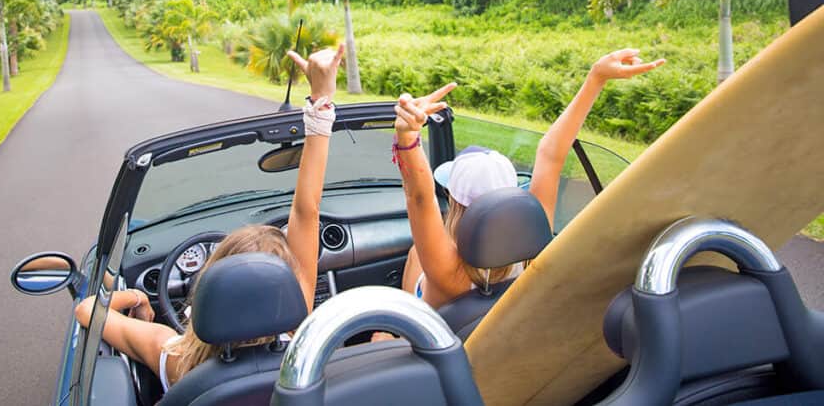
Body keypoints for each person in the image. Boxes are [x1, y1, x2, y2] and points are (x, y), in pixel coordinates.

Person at [73, 46, 344, 390]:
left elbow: (87, 312)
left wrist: (139, 299)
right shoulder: (301, 348)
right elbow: (307, 211)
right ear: (286, 292)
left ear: (207, 285)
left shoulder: (175, 358)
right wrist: (321, 99)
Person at [394, 49, 665, 309]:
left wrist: (407, 134)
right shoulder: (534, 252)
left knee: (417, 252)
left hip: (437, 348)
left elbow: (420, 196)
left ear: (453, 198)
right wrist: (595, 78)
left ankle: (399, 331)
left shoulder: (445, 271)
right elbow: (551, 155)